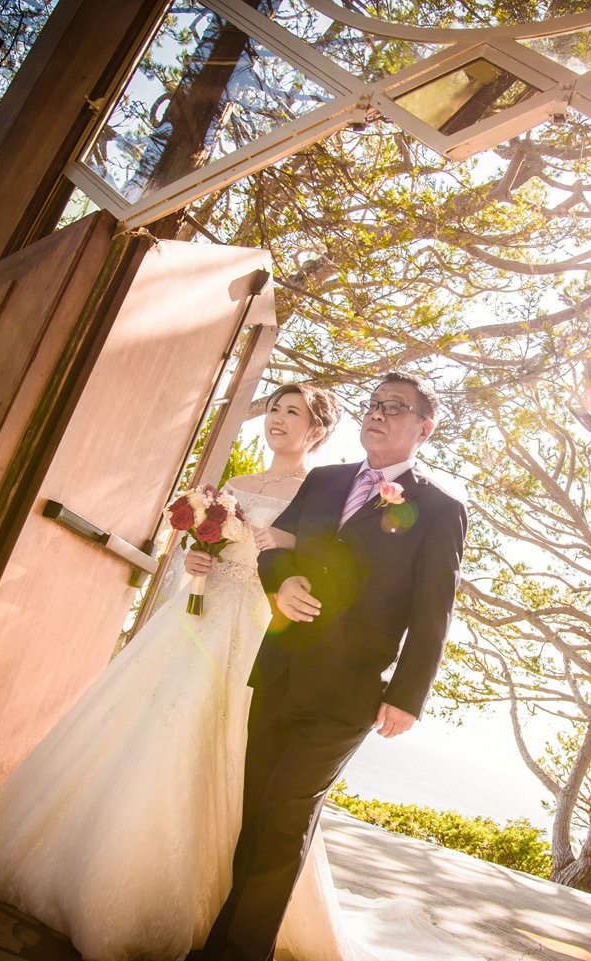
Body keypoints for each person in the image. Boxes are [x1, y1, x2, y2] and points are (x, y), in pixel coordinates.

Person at [0, 383, 356, 961]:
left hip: (254, 631)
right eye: (274, 408)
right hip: (196, 619)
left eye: (292, 413)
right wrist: (194, 557)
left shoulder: (319, 496)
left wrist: (266, 558)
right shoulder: (238, 485)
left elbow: (303, 566)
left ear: (318, 430)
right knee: (143, 723)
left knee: (224, 747)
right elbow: (202, 551)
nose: (277, 419)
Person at [198, 372, 468, 961]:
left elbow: (433, 612)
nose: (378, 414)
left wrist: (406, 695)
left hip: (349, 691)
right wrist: (282, 583)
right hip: (279, 671)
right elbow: (274, 548)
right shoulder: (323, 480)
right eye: (374, 404)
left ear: (425, 428)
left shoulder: (440, 509)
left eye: (395, 408)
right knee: (254, 811)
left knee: (287, 817)